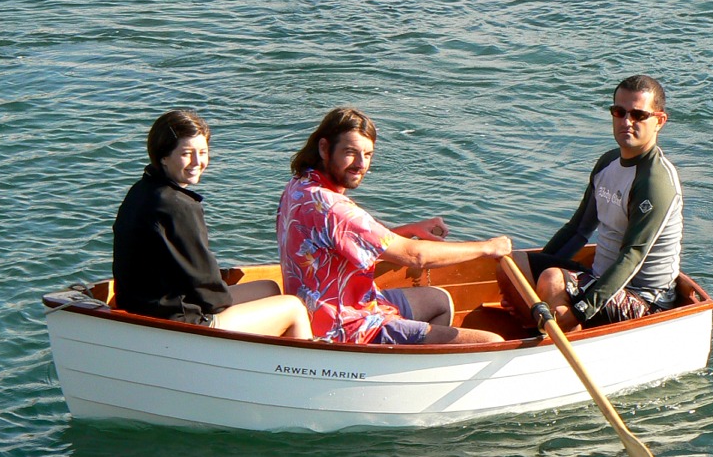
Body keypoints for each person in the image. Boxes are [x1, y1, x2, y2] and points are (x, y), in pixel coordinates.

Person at [277, 107, 512, 345]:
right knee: (492, 341)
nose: (361, 164)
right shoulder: (334, 208)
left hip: (326, 306)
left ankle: (411, 367)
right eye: (350, 153)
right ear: (324, 148)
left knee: (439, 300)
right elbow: (415, 256)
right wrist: (488, 247)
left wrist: (410, 230)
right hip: (346, 327)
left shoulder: (299, 186)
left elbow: (347, 240)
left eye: (368, 154)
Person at [113, 110, 313, 339]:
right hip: (176, 320)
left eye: (203, 152)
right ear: (163, 156)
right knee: (293, 307)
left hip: (144, 306)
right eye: (187, 154)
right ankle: (297, 370)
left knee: (269, 289)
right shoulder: (178, 206)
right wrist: (221, 304)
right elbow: (203, 283)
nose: (197, 162)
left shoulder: (141, 191)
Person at [511, 74, 683, 333]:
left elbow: (632, 256)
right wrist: (534, 271)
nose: (627, 122)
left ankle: (561, 334)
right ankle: (533, 328)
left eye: (638, 115)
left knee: (551, 279)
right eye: (619, 112)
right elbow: (578, 230)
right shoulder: (607, 163)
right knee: (514, 265)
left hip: (643, 300)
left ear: (659, 121)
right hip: (598, 279)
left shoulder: (654, 182)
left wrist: (582, 309)